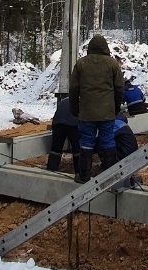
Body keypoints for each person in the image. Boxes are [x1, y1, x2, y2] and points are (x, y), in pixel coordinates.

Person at [69, 34, 124, 183]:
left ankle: (84, 175)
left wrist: (74, 107)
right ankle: (110, 174)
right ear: (105, 47)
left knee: (86, 141)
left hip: (86, 111)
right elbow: (119, 88)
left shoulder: (81, 64)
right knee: (107, 140)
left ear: (90, 47)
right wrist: (116, 107)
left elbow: (73, 88)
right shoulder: (112, 64)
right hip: (107, 111)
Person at [46, 94, 79, 172]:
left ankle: (51, 168)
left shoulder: (65, 101)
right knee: (78, 149)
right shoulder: (83, 102)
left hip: (57, 124)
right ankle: (80, 171)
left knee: (55, 149)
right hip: (73, 124)